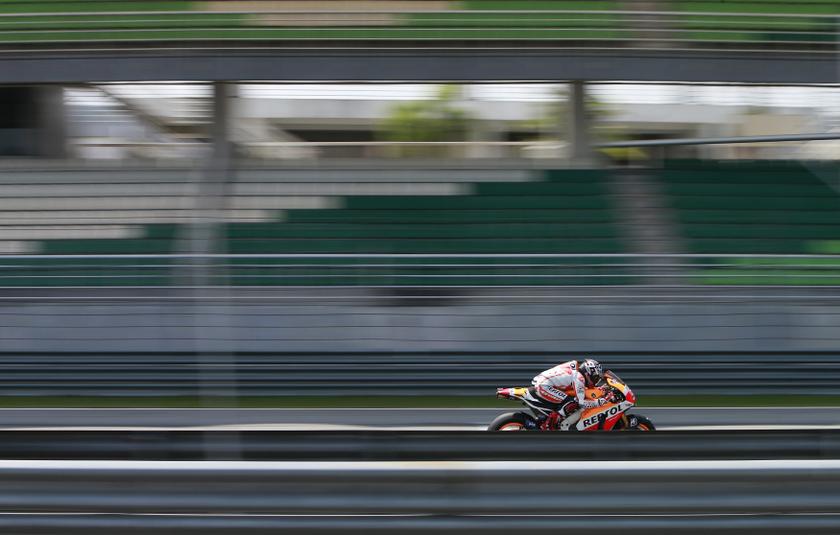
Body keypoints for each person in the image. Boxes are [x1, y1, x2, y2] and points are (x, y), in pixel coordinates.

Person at [524, 358, 611, 430]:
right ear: (588, 373)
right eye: (595, 377)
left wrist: (599, 389)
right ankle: (549, 425)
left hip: (543, 382)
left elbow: (581, 390)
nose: (595, 381)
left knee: (571, 399)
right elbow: (582, 403)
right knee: (572, 402)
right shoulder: (579, 378)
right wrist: (598, 402)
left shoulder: (576, 372)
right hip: (544, 386)